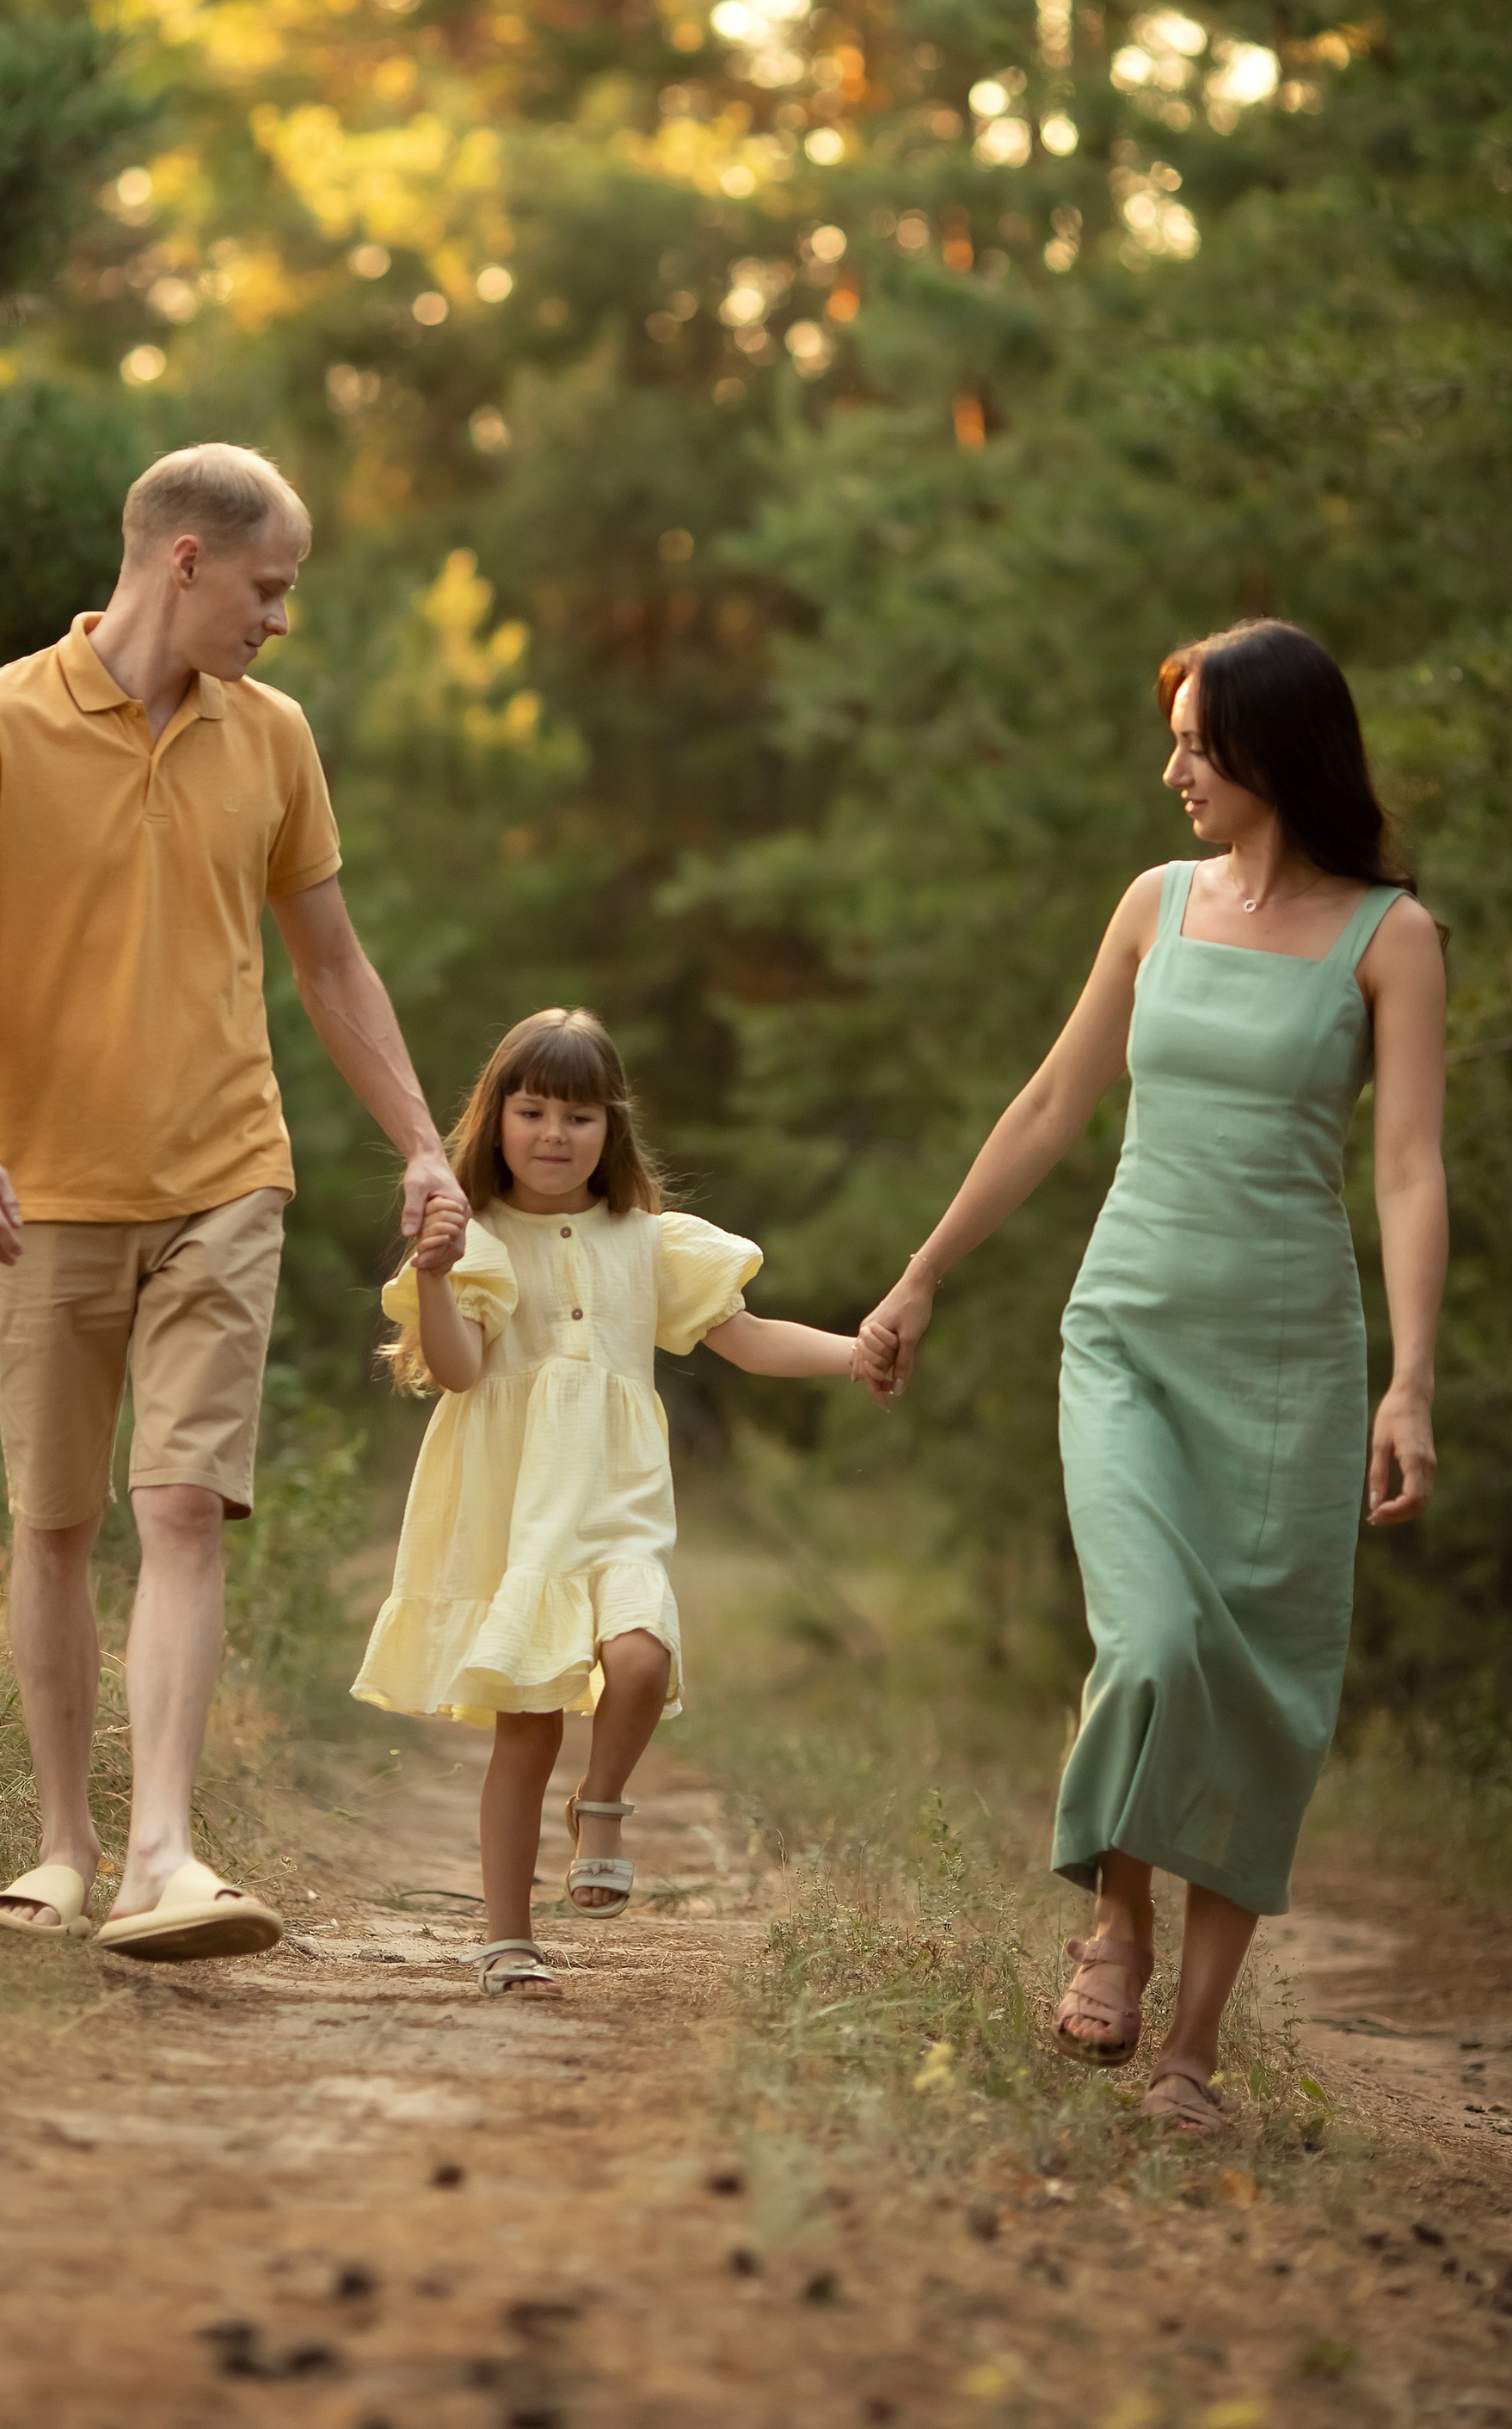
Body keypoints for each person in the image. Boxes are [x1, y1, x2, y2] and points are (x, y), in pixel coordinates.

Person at [0, 441, 468, 1962]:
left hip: (224, 1173)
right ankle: (65, 1844)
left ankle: (163, 1854)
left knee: (185, 1505)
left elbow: (330, 966)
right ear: (187, 559)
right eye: (270, 587)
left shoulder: (275, 741)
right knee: (57, 1524)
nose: (282, 621)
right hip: (40, 1188)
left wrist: (420, 1143)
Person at [857, 619, 1447, 2134]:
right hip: (1127, 1329)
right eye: (1175, 738)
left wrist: (1412, 1383)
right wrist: (924, 1270)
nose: (1172, 767)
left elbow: (1407, 1171)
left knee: (1263, 1687)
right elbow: (1056, 1100)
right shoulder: (1154, 904)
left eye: (1197, 741)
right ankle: (1113, 1923)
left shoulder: (1391, 935)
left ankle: (1190, 2047)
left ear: (1275, 750)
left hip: (1293, 1362)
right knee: (1158, 1640)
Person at [353, 1006, 870, 1996]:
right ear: (495, 1119)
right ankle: (507, 1936)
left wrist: (856, 1353)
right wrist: (429, 1275)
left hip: (617, 1500)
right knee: (528, 1722)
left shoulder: (649, 1240)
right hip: (517, 1511)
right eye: (533, 1109)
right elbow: (458, 1372)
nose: (554, 1133)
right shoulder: (476, 1237)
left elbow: (747, 1337)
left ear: (612, 1127)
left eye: (579, 1115)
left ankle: (602, 1801)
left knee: (640, 1657)